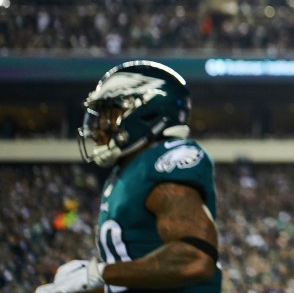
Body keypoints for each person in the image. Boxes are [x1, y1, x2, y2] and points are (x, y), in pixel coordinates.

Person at [36, 60, 221, 293]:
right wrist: (87, 285)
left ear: (145, 112)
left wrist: (99, 273)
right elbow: (138, 277)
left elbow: (195, 257)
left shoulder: (163, 162)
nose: (98, 126)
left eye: (108, 114)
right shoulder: (126, 173)